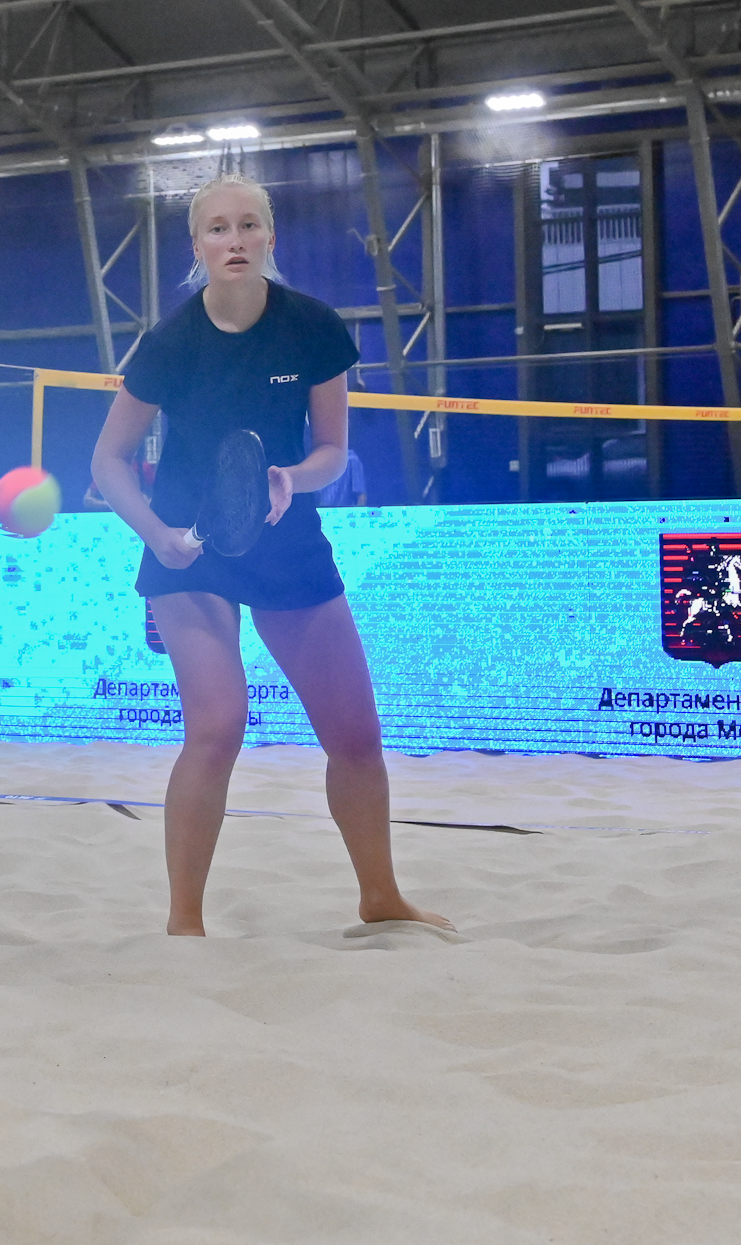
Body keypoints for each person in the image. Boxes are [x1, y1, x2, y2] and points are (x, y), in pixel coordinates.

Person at [90, 172, 451, 936]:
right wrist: (155, 533)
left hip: (286, 536)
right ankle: (185, 922)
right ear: (197, 246)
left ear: (269, 237)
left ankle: (381, 896)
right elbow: (108, 461)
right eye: (218, 228)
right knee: (218, 727)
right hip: (190, 549)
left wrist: (291, 477)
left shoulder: (311, 326)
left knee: (356, 738)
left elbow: (332, 452)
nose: (235, 240)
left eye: (249, 225)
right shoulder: (171, 341)